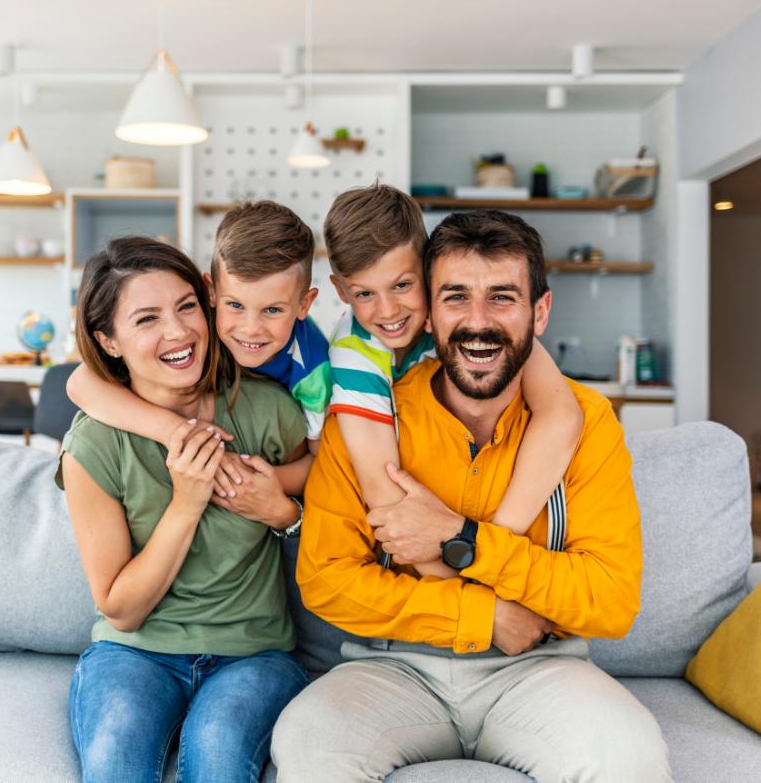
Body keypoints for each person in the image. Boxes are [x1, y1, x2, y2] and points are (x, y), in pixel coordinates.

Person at [272, 210, 671, 782]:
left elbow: (611, 599)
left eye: (502, 297)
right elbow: (326, 580)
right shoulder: (367, 415)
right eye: (456, 296)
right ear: (430, 314)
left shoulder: (586, 422)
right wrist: (482, 615)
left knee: (626, 757)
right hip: (395, 668)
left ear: (540, 312)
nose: (477, 322)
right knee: (310, 744)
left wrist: (462, 539)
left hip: (538, 669)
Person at [56, 236, 310, 783]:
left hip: (254, 655)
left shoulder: (267, 409)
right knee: (115, 759)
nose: (178, 333)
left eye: (187, 306)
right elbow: (121, 610)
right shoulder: (94, 445)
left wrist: (284, 507)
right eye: (146, 319)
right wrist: (187, 503)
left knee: (218, 750)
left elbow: (329, 482)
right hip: (135, 653)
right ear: (110, 341)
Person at [323, 184, 583, 577]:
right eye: (364, 293)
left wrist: (488, 550)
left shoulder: (470, 325)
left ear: (428, 272)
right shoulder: (354, 356)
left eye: (403, 285)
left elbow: (561, 417)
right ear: (341, 291)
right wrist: (479, 596)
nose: (389, 310)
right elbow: (389, 502)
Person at [65, 201, 329, 515]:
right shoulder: (205, 327)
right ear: (212, 292)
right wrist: (175, 431)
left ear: (304, 305)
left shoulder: (314, 372)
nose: (250, 329)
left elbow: (324, 465)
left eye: (272, 310)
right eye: (235, 305)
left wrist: (242, 478)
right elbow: (79, 383)